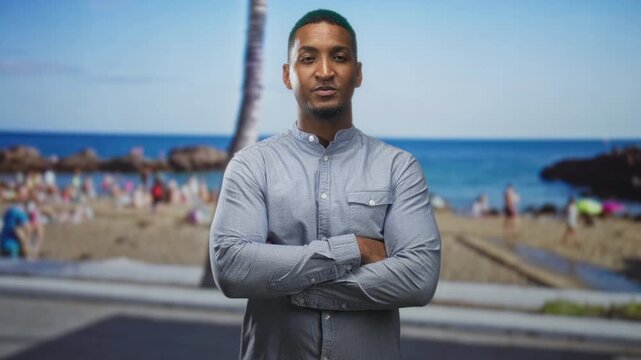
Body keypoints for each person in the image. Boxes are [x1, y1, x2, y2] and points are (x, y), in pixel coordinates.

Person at [209, 9, 441, 360]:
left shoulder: (398, 168)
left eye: (339, 57)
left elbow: (419, 277)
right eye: (308, 58)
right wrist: (356, 250)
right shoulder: (252, 166)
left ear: (358, 73)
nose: (325, 71)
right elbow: (231, 267)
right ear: (288, 75)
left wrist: (293, 287)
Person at [0, 186, 33, 259]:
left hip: (3, 244)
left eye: (26, 194)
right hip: (12, 247)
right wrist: (26, 249)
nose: (25, 196)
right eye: (23, 194)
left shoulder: (9, 210)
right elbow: (24, 230)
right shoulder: (18, 212)